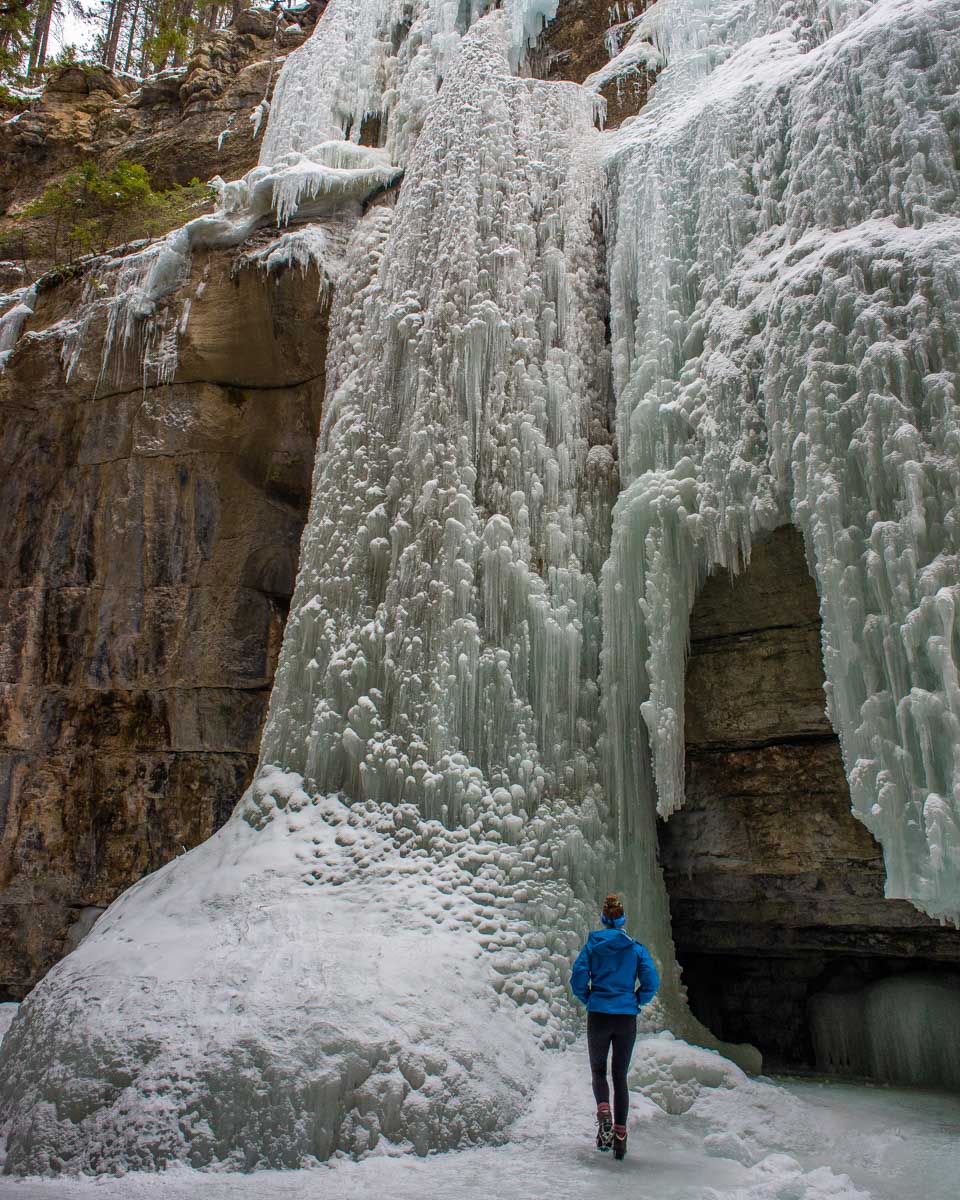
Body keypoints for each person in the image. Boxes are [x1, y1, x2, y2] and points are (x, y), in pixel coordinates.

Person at [570, 893, 660, 1161]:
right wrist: (635, 1000)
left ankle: (603, 1112)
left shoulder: (592, 946)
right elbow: (651, 982)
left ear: (602, 919)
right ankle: (620, 1138)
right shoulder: (635, 948)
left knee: (599, 1071)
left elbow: (577, 978)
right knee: (619, 1076)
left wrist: (590, 997)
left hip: (598, 1014)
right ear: (623, 920)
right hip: (625, 1018)